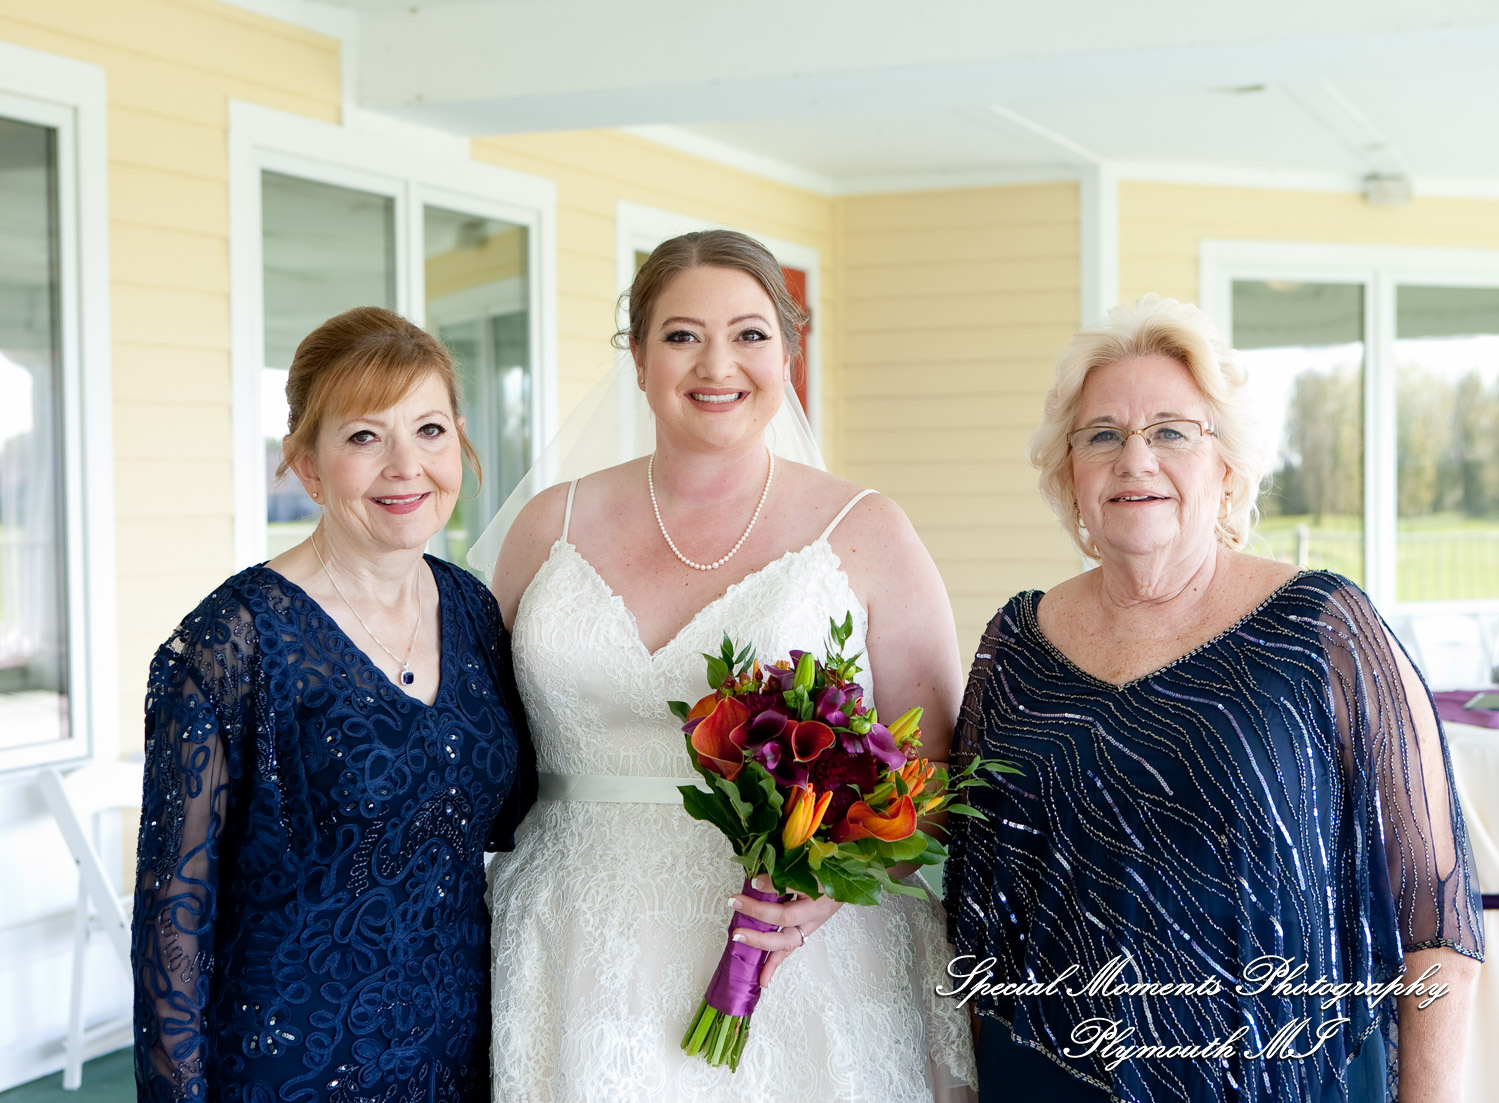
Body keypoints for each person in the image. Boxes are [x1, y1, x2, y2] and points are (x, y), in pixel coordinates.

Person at [944, 295, 1485, 1102]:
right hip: (1047, 1076)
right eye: (1102, 435)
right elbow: (969, 899)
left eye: (1170, 431)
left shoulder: (1323, 629)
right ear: (1069, 473)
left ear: (1225, 467)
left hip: (1277, 1074)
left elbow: (1433, 913)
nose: (1135, 459)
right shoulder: (1015, 645)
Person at [480, 230, 976, 1101]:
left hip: (794, 957)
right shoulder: (547, 525)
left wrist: (834, 884)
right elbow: (471, 734)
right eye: (681, 335)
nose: (717, 364)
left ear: (787, 354)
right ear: (638, 359)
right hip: (573, 945)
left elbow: (932, 769)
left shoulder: (865, 529)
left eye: (749, 334)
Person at [131, 307, 536, 1102]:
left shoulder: (472, 611)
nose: (405, 467)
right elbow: (173, 916)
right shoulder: (232, 642)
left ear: (458, 441)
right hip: (290, 1061)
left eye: (428, 430)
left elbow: (504, 815)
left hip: (457, 1049)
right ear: (307, 465)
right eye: (363, 437)